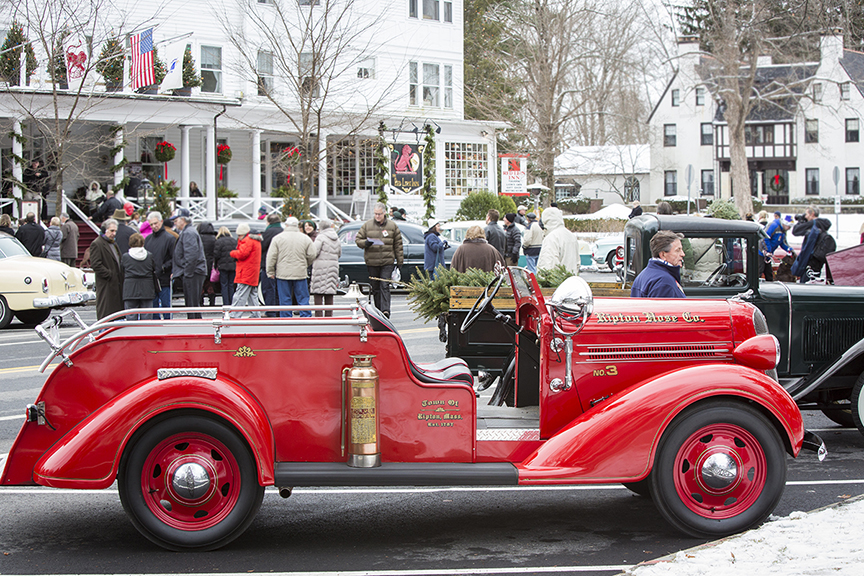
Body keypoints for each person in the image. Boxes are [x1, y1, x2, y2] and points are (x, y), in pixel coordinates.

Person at [355, 202, 403, 317]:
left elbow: (398, 244)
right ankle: (378, 310)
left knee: (384, 285)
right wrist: (365, 243)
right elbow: (358, 240)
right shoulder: (367, 225)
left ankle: (385, 310)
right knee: (375, 286)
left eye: (379, 214)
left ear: (384, 213)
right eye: (375, 214)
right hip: (372, 261)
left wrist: (400, 261)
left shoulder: (392, 226)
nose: (377, 216)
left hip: (387, 261)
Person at [267, 216, 317, 317]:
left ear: (286, 225)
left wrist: (270, 271)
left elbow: (271, 256)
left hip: (283, 273)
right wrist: (305, 264)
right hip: (300, 272)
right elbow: (312, 254)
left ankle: (286, 319)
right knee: (303, 298)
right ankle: (306, 318)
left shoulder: (278, 238)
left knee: (285, 299)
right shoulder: (305, 238)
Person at [631, 230, 686, 299]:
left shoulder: (644, 275)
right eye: (677, 250)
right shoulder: (664, 282)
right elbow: (663, 309)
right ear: (663, 255)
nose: (682, 254)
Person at [172, 215, 207, 318]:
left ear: (183, 220)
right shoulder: (189, 231)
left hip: (193, 272)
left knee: (192, 302)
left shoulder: (188, 232)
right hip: (194, 271)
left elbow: (191, 255)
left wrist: (187, 273)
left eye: (176, 220)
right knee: (192, 302)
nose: (175, 223)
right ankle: (195, 323)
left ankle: (194, 324)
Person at [89, 218, 124, 319]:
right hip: (106, 285)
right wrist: (110, 274)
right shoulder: (97, 244)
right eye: (111, 231)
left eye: (115, 231)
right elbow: (96, 264)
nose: (114, 233)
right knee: (106, 313)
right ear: (105, 230)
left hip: (116, 284)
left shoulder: (113, 243)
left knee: (116, 313)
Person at [143, 212, 175, 319]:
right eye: (151, 224)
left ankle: (168, 325)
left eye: (155, 223)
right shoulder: (148, 239)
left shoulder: (170, 238)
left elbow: (174, 258)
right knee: (153, 307)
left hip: (164, 276)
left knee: (166, 305)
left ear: (161, 222)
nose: (154, 226)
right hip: (152, 278)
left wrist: (164, 267)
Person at [791, 205, 834, 283]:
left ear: (812, 214)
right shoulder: (823, 223)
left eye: (806, 214)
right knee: (814, 281)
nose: (806, 216)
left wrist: (801, 220)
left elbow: (795, 231)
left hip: (810, 258)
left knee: (806, 283)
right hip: (817, 259)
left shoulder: (812, 224)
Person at [120, 233, 157, 320]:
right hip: (147, 288)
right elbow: (154, 269)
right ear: (143, 243)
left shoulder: (126, 257)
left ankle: (132, 333)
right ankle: (146, 333)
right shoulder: (149, 255)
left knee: (131, 315)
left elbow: (121, 270)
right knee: (147, 316)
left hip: (130, 289)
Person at [229, 223, 263, 318]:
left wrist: (232, 253)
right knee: (252, 295)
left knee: (240, 294)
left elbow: (242, 254)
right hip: (252, 272)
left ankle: (235, 314)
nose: (239, 238)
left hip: (245, 272)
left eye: (239, 235)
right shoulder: (255, 240)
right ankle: (256, 314)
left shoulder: (248, 241)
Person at [310, 219, 341, 317]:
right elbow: (339, 254)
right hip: (333, 267)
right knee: (329, 292)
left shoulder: (321, 237)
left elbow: (314, 252)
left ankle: (319, 317)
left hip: (320, 267)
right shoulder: (336, 238)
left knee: (318, 292)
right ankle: (329, 316)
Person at [537, 207, 580, 275]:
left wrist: (543, 279)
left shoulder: (551, 238)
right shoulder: (571, 236)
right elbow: (577, 263)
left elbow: (547, 265)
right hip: (570, 279)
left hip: (556, 282)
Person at [260, 212, 283, 317]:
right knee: (280, 290)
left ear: (269, 222)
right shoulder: (283, 231)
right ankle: (279, 310)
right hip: (281, 265)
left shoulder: (268, 232)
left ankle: (270, 311)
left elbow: (262, 247)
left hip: (268, 265)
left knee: (269, 289)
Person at [762, 212, 793, 281]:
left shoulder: (783, 231)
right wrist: (768, 250)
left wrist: (790, 249)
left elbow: (783, 243)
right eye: (789, 226)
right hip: (761, 252)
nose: (789, 228)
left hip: (768, 254)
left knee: (769, 273)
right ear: (784, 224)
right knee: (759, 271)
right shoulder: (773, 226)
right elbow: (764, 237)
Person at [213, 226, 237, 306]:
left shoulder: (219, 241)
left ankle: (226, 303)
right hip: (233, 266)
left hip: (223, 266)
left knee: (224, 285)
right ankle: (232, 303)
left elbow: (216, 255)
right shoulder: (234, 241)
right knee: (231, 285)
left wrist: (216, 264)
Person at [197, 221, 218, 306]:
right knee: (210, 284)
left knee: (201, 284)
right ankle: (212, 301)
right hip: (211, 264)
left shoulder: (199, 238)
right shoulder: (214, 238)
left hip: (201, 264)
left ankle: (201, 302)